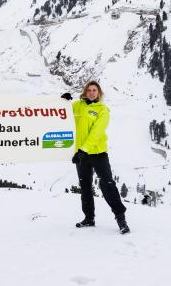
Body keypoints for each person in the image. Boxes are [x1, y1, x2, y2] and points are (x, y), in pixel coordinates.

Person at [62, 81, 130, 234]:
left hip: (98, 153)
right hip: (81, 155)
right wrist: (63, 102)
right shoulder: (77, 106)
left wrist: (84, 149)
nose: (92, 92)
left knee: (107, 184)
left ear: (99, 93)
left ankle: (120, 218)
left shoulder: (102, 110)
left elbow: (97, 132)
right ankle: (89, 218)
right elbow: (62, 114)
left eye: (95, 90)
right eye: (89, 90)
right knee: (85, 185)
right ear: (85, 92)